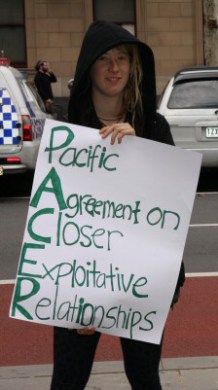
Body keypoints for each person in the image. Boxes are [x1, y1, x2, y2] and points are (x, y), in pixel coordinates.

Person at [50, 21, 185, 390]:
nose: (114, 68)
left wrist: (140, 148)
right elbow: (54, 213)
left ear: (133, 65)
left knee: (144, 377)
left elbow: (172, 203)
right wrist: (75, 293)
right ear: (88, 67)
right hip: (79, 279)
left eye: (122, 58)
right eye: (104, 59)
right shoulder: (68, 133)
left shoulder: (154, 126)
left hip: (142, 277)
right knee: (68, 378)